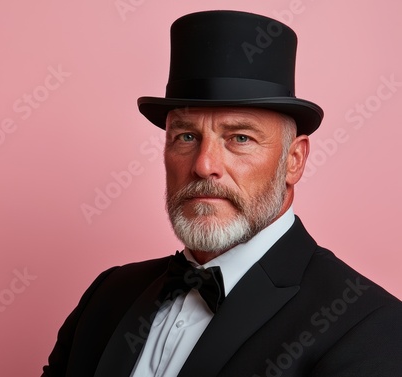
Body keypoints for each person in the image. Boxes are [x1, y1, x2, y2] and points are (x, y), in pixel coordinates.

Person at [41, 10, 402, 377]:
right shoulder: (108, 296)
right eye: (186, 136)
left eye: (240, 138)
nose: (203, 165)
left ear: (294, 160)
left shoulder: (370, 327)